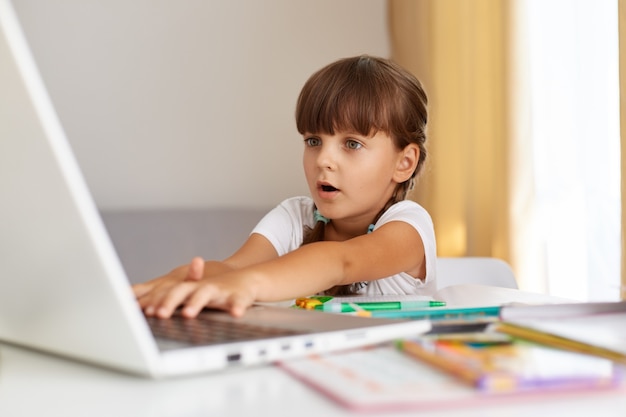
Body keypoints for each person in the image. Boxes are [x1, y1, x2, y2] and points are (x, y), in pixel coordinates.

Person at [133, 55, 437, 318]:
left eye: (352, 144)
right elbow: (235, 268)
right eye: (314, 141)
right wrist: (179, 282)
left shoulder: (409, 225)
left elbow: (340, 261)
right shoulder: (294, 216)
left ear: (404, 163)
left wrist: (249, 286)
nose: (324, 160)